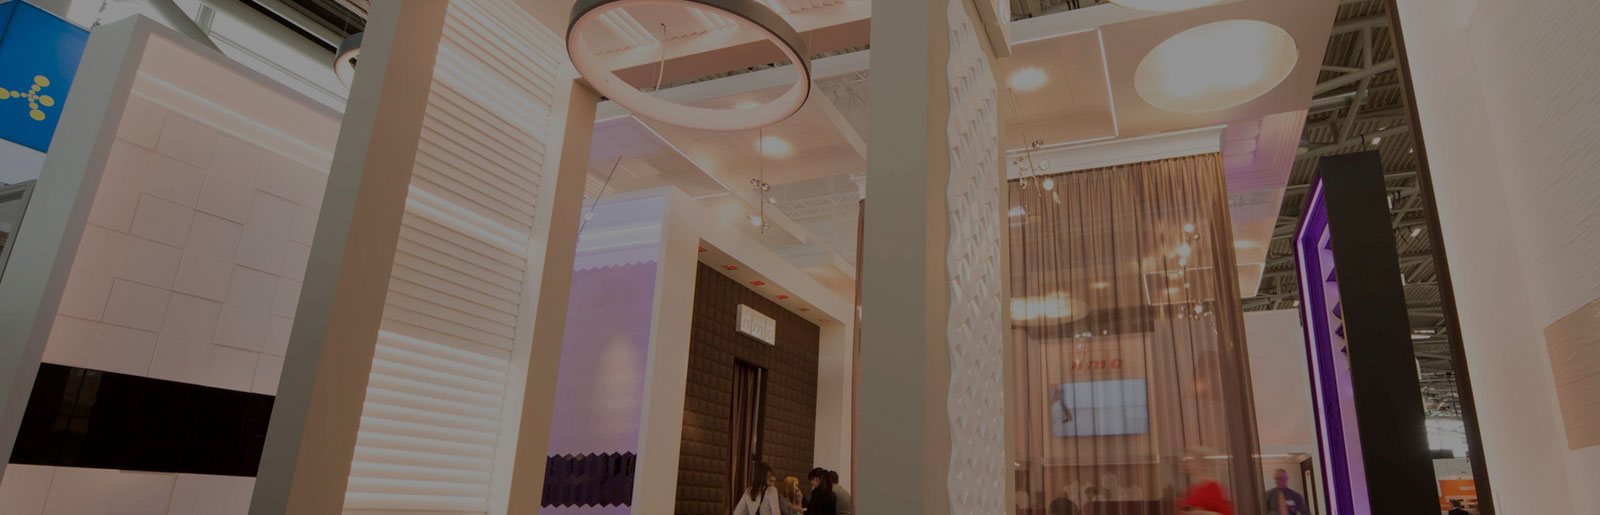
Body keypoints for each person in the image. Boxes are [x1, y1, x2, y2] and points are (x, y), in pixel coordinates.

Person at [1179, 448, 1234, 515]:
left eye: (1191, 461)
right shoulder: (1191, 489)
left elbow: (1224, 513)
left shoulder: (1213, 487)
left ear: (1201, 464)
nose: (1186, 464)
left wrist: (1199, 513)